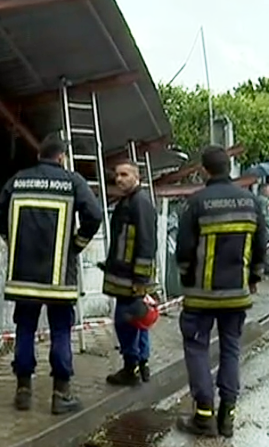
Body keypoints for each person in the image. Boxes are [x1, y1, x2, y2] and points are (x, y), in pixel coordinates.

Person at [0, 133, 104, 415]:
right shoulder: (72, 181)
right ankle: (60, 394)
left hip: (23, 276)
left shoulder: (19, 180)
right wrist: (76, 245)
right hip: (59, 277)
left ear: (39, 155)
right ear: (62, 157)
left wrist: (11, 239)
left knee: (25, 328)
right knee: (61, 331)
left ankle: (23, 391)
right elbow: (94, 215)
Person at [175, 146, 267, 438]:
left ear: (204, 170)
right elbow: (260, 247)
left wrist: (186, 278)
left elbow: (184, 250)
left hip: (200, 296)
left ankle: (204, 416)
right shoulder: (252, 202)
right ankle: (227, 417)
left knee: (197, 349)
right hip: (237, 294)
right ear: (230, 167)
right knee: (231, 350)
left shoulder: (196, 202)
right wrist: (254, 278)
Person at [99, 159, 157, 387]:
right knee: (137, 319)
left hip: (131, 278)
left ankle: (131, 367)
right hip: (125, 274)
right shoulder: (129, 201)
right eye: (117, 175)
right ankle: (142, 363)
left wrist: (140, 279)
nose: (119, 179)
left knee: (126, 321)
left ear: (137, 177)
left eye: (124, 175)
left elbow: (146, 242)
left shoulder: (139, 203)